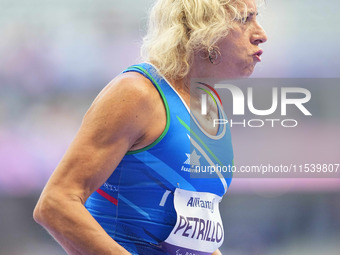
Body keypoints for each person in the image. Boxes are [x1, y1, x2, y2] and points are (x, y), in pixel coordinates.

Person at [33, 0, 267, 254]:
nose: (262, 35)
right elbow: (55, 204)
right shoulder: (136, 93)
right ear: (203, 29)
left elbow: (197, 240)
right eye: (244, 19)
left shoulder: (212, 110)